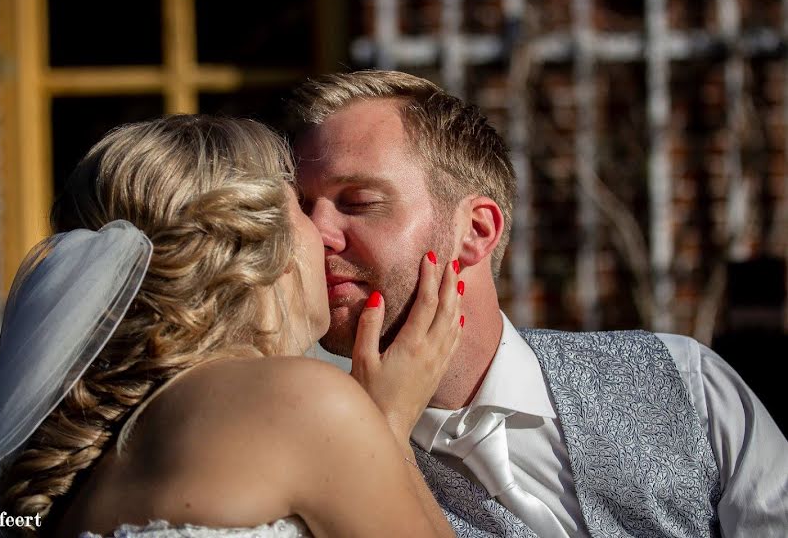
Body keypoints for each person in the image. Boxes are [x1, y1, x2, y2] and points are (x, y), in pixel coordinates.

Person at [287, 70, 788, 537]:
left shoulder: (684, 383)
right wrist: (377, 441)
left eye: (359, 202)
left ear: (476, 232)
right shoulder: (299, 479)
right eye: (305, 211)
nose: (316, 235)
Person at [0, 115, 464, 538]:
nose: (324, 235)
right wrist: (386, 425)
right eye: (298, 206)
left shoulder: (85, 453)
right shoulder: (301, 401)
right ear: (249, 244)